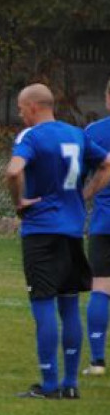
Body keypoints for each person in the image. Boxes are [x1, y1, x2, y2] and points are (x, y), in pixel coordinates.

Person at [7, 83, 110, 398]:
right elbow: (106, 164)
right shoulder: (78, 134)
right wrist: (85, 195)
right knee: (68, 306)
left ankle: (49, 384)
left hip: (41, 231)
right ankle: (70, 385)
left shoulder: (31, 137)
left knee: (42, 305)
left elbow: (13, 171)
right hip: (72, 231)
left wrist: (20, 201)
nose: (20, 113)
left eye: (21, 108)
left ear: (34, 106)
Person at [83, 74, 110, 376]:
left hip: (104, 223)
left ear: (107, 99)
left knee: (101, 288)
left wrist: (84, 195)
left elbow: (79, 170)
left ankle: (97, 361)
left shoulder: (94, 133)